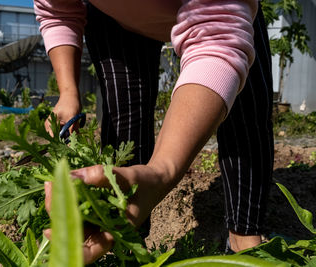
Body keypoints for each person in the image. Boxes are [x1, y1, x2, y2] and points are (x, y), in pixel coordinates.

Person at [34, 0, 274, 264]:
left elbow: (219, 37)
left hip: (223, 16)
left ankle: (244, 239)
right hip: (115, 18)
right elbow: (57, 10)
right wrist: (68, 92)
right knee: (124, 126)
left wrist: (162, 170)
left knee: (247, 112)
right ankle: (126, 244)